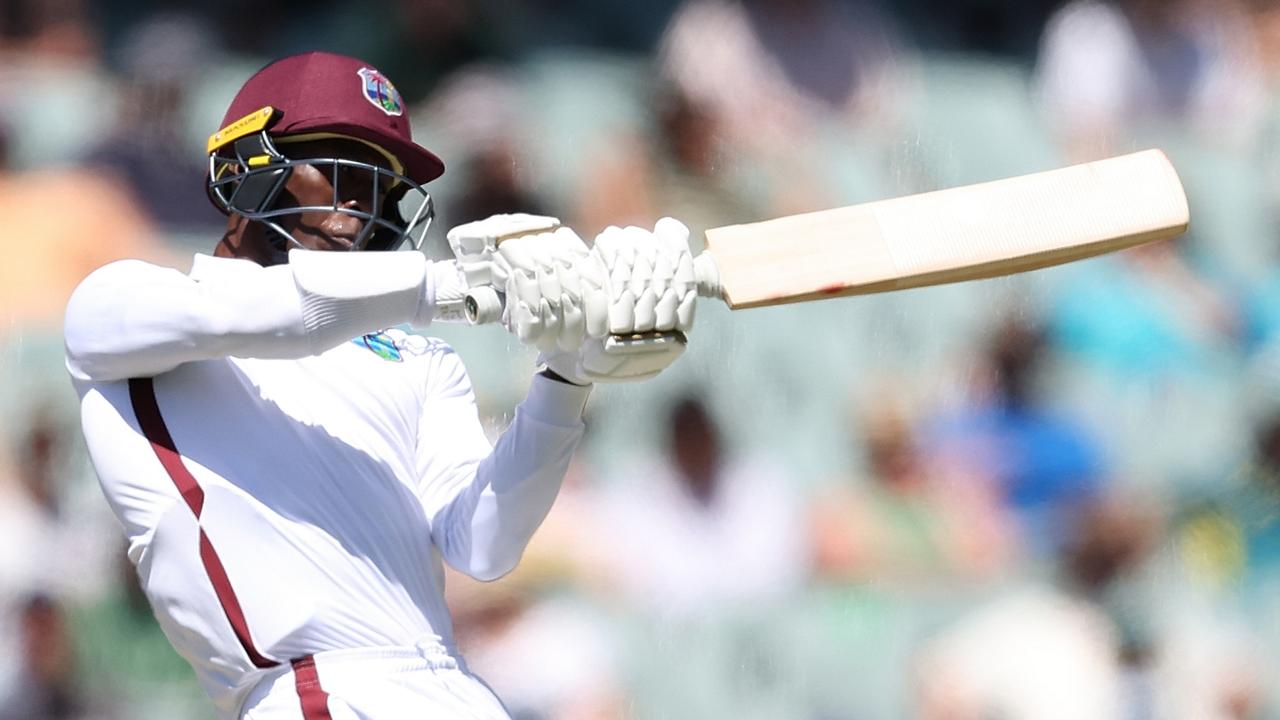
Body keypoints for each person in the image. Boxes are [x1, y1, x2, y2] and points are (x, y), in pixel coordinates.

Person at [63, 51, 697, 719]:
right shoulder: (121, 309)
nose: (359, 208)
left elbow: (482, 544)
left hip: (459, 687)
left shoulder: (418, 357)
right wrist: (459, 282)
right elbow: (290, 312)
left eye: (377, 187)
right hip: (319, 692)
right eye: (336, 169)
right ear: (247, 168)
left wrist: (565, 375)